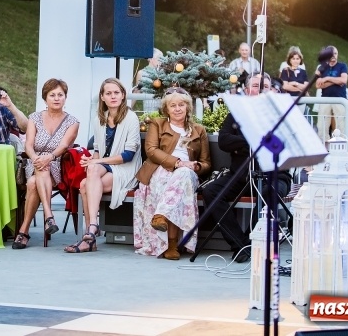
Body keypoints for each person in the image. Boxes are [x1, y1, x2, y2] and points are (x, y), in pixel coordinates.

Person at [204, 73, 291, 263]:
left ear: (271, 90)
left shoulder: (279, 114)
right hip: (241, 174)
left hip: (275, 174)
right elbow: (224, 140)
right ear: (246, 89)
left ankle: (250, 242)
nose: (259, 89)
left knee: (270, 192)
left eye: (265, 86)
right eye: (255, 85)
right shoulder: (237, 113)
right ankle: (239, 242)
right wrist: (250, 141)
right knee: (211, 192)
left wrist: (243, 143)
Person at [64, 78, 142, 254]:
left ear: (123, 95)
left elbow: (128, 156)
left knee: (85, 185)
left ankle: (90, 233)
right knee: (88, 173)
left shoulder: (131, 118)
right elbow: (98, 151)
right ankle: (92, 230)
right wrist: (91, 160)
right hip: (106, 166)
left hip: (126, 168)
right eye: (108, 93)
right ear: (102, 97)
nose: (113, 96)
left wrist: (96, 162)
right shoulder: (99, 119)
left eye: (116, 92)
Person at [134, 87, 209, 260]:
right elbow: (151, 150)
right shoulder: (157, 124)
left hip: (188, 173)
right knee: (173, 181)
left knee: (182, 175)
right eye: (173, 105)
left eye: (181, 105)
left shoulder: (199, 130)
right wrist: (177, 162)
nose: (177, 109)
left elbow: (206, 163)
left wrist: (196, 166)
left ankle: (161, 217)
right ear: (166, 109)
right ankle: (171, 244)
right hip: (160, 168)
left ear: (187, 107)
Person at [13, 79, 79, 249]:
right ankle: (49, 217)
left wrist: (48, 157)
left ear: (65, 98)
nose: (56, 98)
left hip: (57, 165)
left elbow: (64, 146)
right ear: (45, 98)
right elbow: (28, 144)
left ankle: (24, 231)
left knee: (35, 181)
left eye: (60, 95)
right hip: (34, 162)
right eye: (52, 95)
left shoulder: (73, 122)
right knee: (36, 177)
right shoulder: (34, 118)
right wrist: (36, 158)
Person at [315, 45, 348, 143]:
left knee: (341, 126)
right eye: (331, 53)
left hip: (340, 100)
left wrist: (326, 79)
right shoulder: (322, 67)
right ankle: (325, 151)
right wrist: (336, 81)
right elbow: (318, 85)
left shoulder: (342, 66)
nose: (334, 55)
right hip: (325, 99)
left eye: (336, 53)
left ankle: (342, 149)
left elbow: (344, 80)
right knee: (322, 126)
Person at [133, 48, 163, 112]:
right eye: (159, 58)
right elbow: (137, 92)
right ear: (151, 59)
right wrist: (129, 107)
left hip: (162, 108)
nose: (161, 61)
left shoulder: (162, 73)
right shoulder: (141, 73)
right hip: (148, 109)